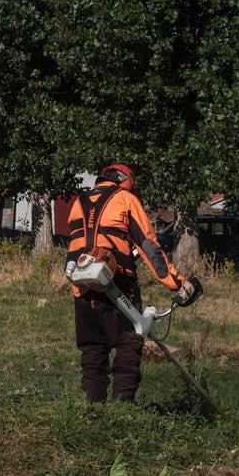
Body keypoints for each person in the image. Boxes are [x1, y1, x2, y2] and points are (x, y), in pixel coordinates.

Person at [65, 163, 194, 403]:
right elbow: (149, 246)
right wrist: (178, 284)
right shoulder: (125, 198)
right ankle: (122, 408)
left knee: (93, 349)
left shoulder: (78, 202)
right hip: (118, 282)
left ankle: (92, 411)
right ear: (126, 180)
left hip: (82, 284)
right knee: (130, 339)